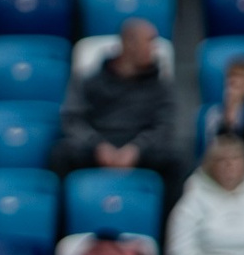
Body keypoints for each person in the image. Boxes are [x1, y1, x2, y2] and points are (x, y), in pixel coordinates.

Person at [54, 17, 178, 181]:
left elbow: (165, 125)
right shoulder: (90, 81)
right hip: (97, 144)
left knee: (175, 159)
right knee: (61, 154)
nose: (154, 48)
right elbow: (73, 119)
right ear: (129, 44)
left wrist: (137, 148)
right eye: (149, 41)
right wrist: (98, 146)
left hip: (141, 147)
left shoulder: (160, 86)